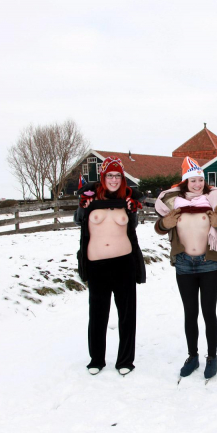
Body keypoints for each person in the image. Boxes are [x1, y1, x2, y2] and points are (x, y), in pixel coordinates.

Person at [154, 157, 217, 380]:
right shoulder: (174, 203)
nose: (198, 184)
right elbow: (159, 227)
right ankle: (193, 356)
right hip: (184, 265)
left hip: (209, 264)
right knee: (190, 313)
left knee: (209, 312)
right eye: (193, 180)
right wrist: (165, 224)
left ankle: (212, 357)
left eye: (201, 180)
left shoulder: (213, 200)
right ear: (185, 182)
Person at [74, 158, 146, 376]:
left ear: (122, 179)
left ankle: (125, 359)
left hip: (123, 263)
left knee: (126, 314)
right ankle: (96, 358)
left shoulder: (128, 200)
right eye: (109, 176)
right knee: (97, 313)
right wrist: (82, 207)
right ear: (103, 178)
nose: (114, 180)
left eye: (117, 176)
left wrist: (133, 210)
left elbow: (131, 228)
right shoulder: (90, 198)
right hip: (97, 265)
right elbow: (78, 220)